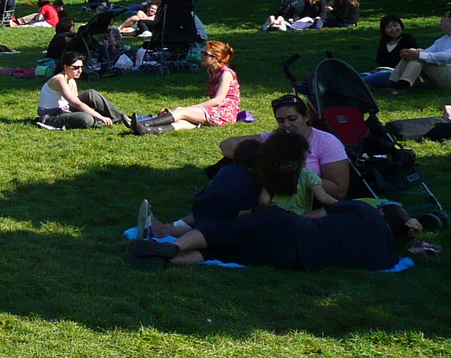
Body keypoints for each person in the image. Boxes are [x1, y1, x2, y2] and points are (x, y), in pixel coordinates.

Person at [128, 200, 420, 271]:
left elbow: (316, 215)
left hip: (292, 229)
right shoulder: (387, 256)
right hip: (297, 262)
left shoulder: (365, 210)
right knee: (219, 254)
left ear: (382, 213)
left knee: (220, 232)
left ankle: (171, 246)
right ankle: (168, 263)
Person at [213, 94, 352, 199]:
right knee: (231, 168)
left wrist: (292, 172)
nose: (286, 125)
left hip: (308, 202)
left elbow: (339, 191)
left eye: (292, 119)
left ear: (306, 116)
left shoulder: (326, 142)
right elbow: (227, 145)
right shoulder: (276, 137)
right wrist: (264, 161)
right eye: (280, 121)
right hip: (272, 199)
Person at [131, 40, 240, 134]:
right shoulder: (211, 71)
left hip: (225, 113)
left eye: (205, 54)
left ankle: (142, 124)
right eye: (202, 52)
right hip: (217, 111)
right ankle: (148, 130)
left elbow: (218, 100)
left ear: (216, 58)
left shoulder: (226, 74)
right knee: (183, 122)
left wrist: (190, 108)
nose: (201, 55)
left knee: (181, 111)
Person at [254, 128, 340, 216]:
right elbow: (323, 198)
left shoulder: (272, 173)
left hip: (276, 218)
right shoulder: (308, 175)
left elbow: (264, 201)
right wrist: (342, 205)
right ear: (304, 154)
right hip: (300, 220)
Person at [37, 51, 134, 129]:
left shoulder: (71, 80)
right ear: (66, 67)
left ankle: (121, 117)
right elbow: (76, 104)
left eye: (81, 67)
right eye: (76, 67)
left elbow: (76, 102)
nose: (80, 71)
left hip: (65, 109)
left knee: (91, 93)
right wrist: (100, 116)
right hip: (51, 116)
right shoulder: (59, 80)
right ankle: (103, 121)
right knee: (86, 119)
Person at [387, 7, 451, 93]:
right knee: (418, 54)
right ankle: (394, 83)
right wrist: (410, 52)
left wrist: (417, 54)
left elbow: (445, 57)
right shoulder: (443, 39)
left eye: (444, 17)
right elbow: (426, 52)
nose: (441, 20)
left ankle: (400, 85)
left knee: (419, 56)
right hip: (440, 76)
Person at [361, 15, 417, 88]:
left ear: (401, 26)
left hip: (393, 74)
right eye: (389, 27)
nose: (393, 29)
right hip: (379, 71)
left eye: (395, 25)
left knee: (361, 81)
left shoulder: (407, 39)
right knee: (356, 76)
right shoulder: (385, 41)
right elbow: (379, 59)